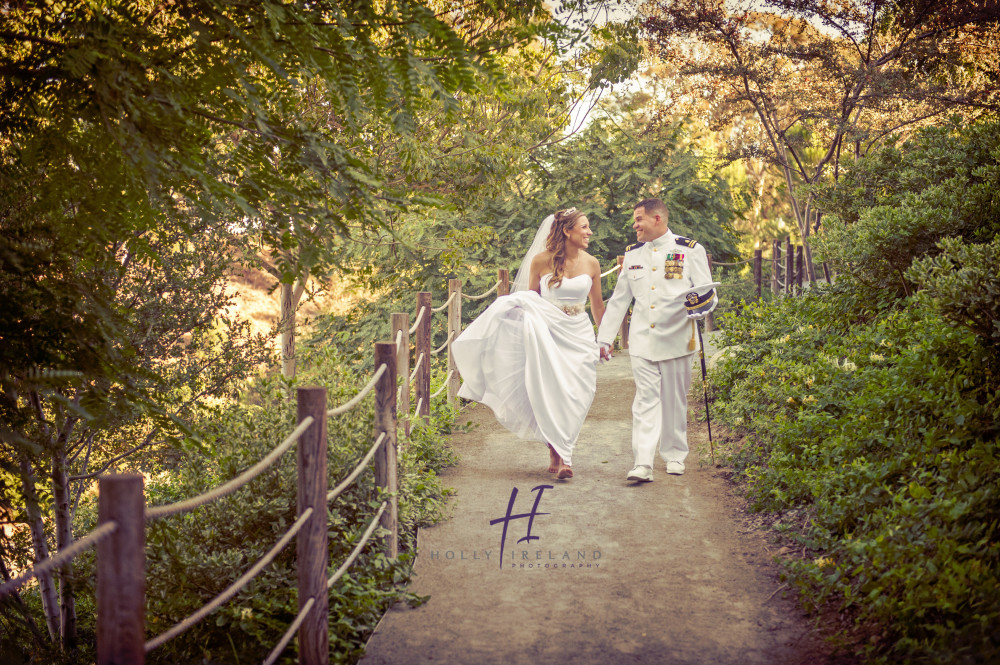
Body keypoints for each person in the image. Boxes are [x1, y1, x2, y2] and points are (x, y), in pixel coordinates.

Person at [452, 208, 606, 479]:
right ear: (567, 231)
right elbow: (530, 300)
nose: (589, 232)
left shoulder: (592, 263)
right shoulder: (540, 261)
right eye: (584, 227)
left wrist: (604, 339)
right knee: (550, 391)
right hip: (547, 334)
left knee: (578, 393)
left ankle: (560, 447)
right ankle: (561, 456)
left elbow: (597, 306)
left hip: (579, 334)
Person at [596, 198, 718, 482]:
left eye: (639, 219)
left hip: (678, 338)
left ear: (657, 219)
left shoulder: (689, 250)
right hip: (642, 339)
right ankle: (643, 462)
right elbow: (619, 300)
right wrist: (604, 338)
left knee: (674, 400)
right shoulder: (633, 255)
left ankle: (675, 455)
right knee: (645, 400)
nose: (635, 225)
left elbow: (707, 292)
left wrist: (700, 307)